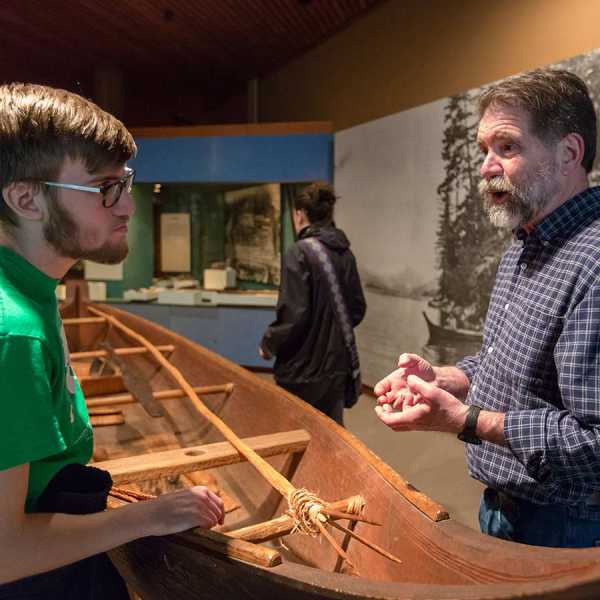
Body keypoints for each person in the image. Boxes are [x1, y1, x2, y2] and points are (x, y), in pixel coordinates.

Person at [0, 83, 224, 597]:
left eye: (125, 184)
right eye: (105, 188)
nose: (127, 207)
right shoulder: (14, 332)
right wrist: (150, 515)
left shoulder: (32, 292)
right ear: (26, 198)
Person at [375, 68, 600, 548]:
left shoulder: (595, 263)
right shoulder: (525, 243)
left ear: (569, 152)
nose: (485, 166)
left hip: (567, 527)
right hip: (503, 506)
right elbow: (509, 363)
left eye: (507, 147)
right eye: (484, 150)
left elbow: (596, 441)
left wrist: (464, 420)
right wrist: (443, 378)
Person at [259, 183, 366, 426]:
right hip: (337, 366)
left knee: (296, 431)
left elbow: (293, 317)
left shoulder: (298, 253)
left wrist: (268, 343)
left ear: (299, 214)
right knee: (332, 434)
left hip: (301, 370)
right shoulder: (344, 253)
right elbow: (357, 309)